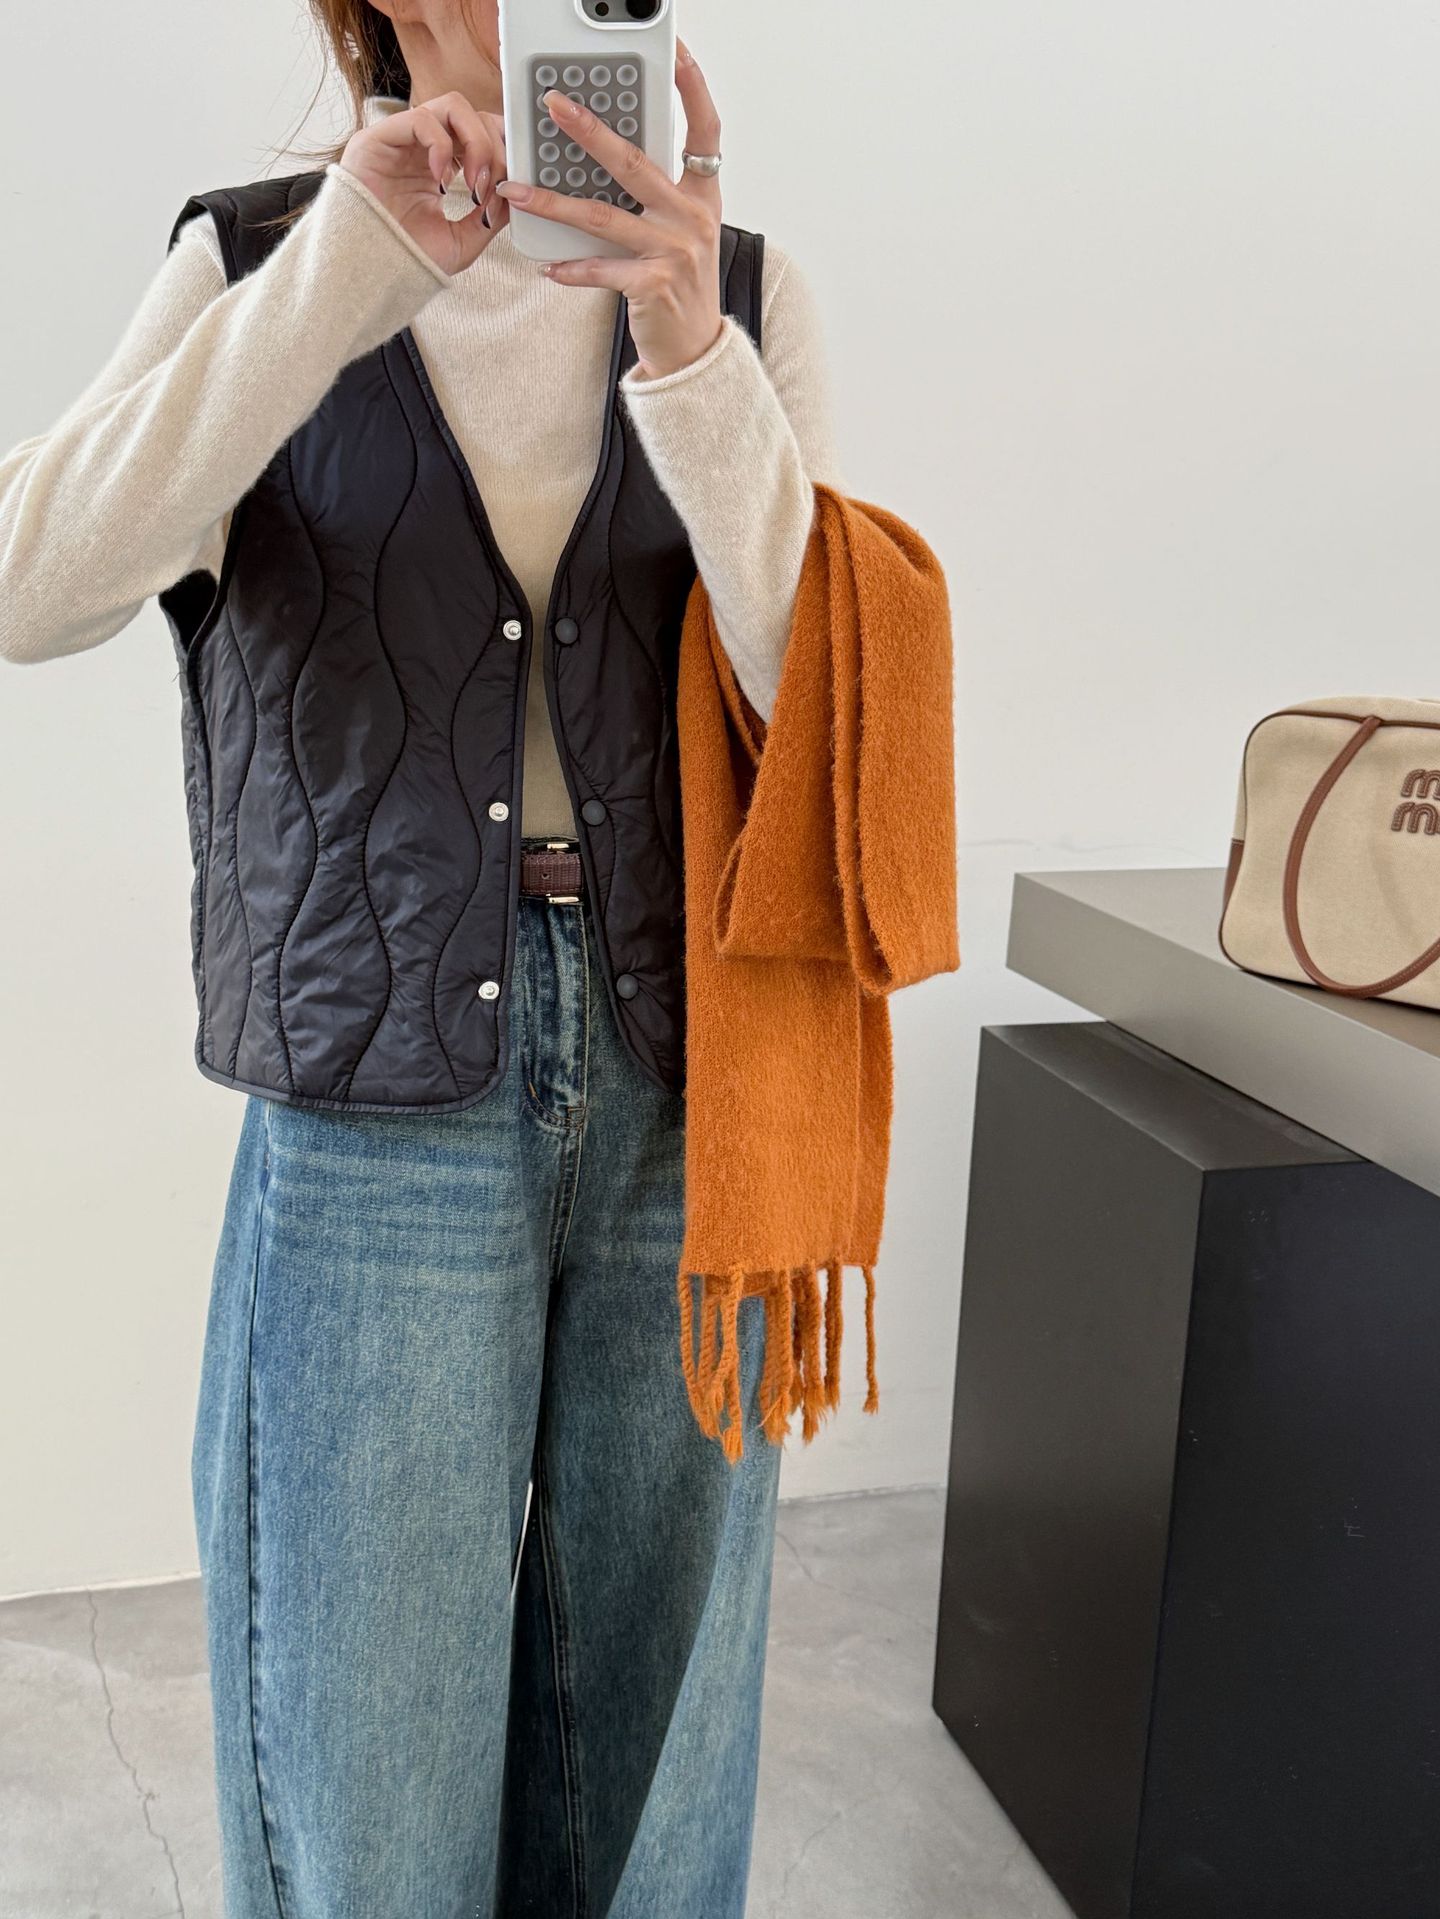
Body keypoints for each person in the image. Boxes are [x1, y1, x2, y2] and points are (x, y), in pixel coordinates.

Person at [0, 2, 843, 1913]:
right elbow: (35, 585)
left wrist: (690, 350)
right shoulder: (255, 259)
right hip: (381, 1108)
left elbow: (822, 710)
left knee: (655, 1779)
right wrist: (343, 271)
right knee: (368, 1778)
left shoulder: (742, 288)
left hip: (689, 1089)